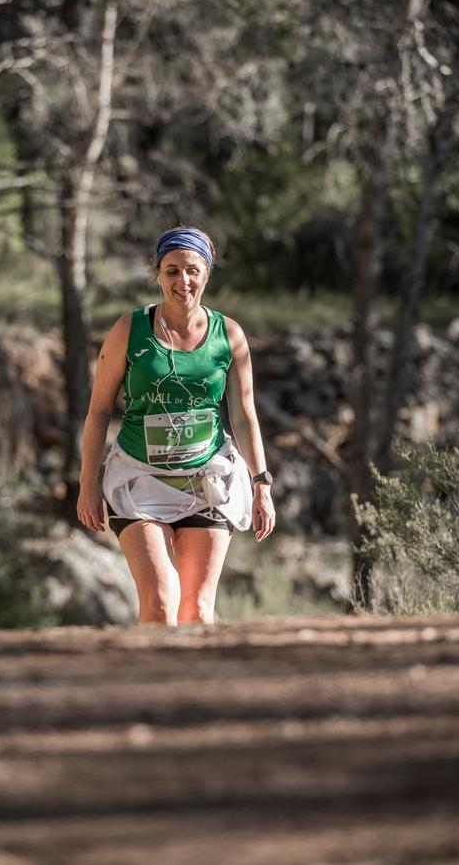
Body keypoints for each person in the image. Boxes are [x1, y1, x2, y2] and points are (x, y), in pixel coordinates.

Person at [76, 226, 275, 625]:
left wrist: (261, 483)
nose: (182, 281)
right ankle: (151, 686)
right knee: (162, 602)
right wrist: (87, 485)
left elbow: (243, 415)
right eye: (171, 271)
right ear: (158, 274)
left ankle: (199, 687)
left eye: (192, 270)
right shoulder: (128, 331)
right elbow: (98, 411)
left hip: (207, 482)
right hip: (139, 481)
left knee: (198, 611)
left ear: (207, 273)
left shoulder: (228, 335)